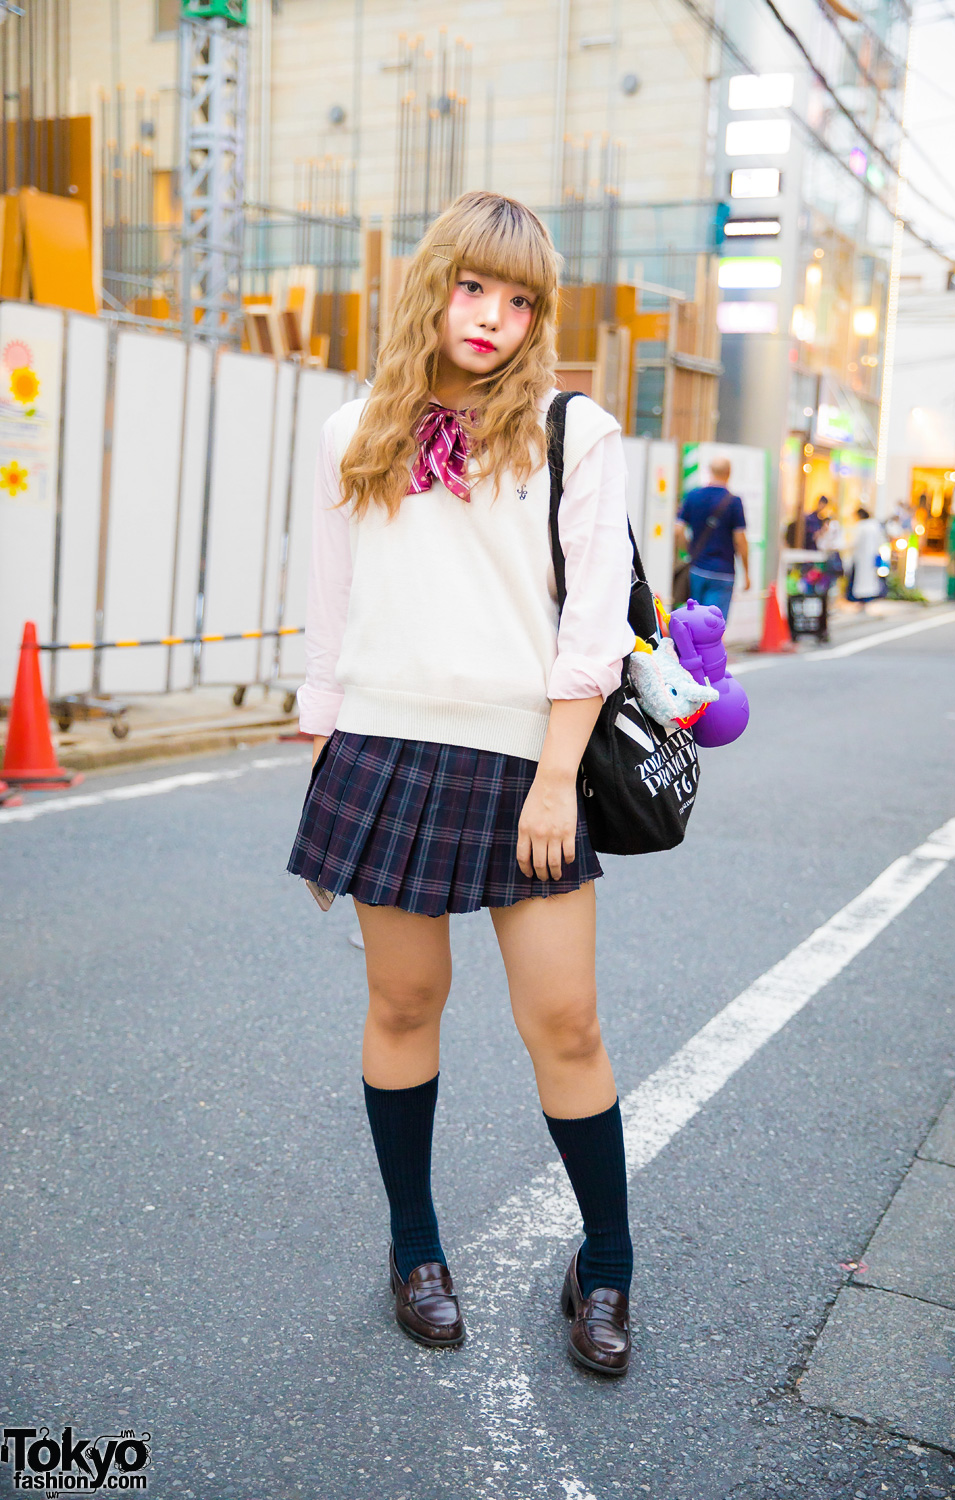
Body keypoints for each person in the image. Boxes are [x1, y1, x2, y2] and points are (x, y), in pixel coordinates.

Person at [286, 192, 637, 1376]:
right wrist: (329, 747)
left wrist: (554, 780)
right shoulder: (350, 433)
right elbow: (329, 608)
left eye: (518, 297)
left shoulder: (571, 432)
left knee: (565, 1020)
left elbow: (591, 627)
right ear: (431, 285)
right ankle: (415, 1248)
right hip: (384, 752)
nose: (490, 316)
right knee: (401, 1005)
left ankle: (607, 1265)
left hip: (524, 760)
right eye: (471, 287)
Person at [675, 457, 751, 620]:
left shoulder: (693, 496)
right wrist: (746, 573)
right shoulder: (734, 502)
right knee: (714, 626)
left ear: (710, 471)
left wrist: (689, 550)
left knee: (695, 620)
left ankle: (693, 646)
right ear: (729, 473)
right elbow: (740, 540)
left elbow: (678, 530)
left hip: (697, 569)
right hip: (723, 572)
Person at [846, 505, 885, 613]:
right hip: (871, 558)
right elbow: (881, 541)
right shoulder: (875, 526)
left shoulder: (861, 526)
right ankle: (866, 601)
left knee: (859, 581)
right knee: (869, 581)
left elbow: (854, 542)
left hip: (861, 558)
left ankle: (860, 601)